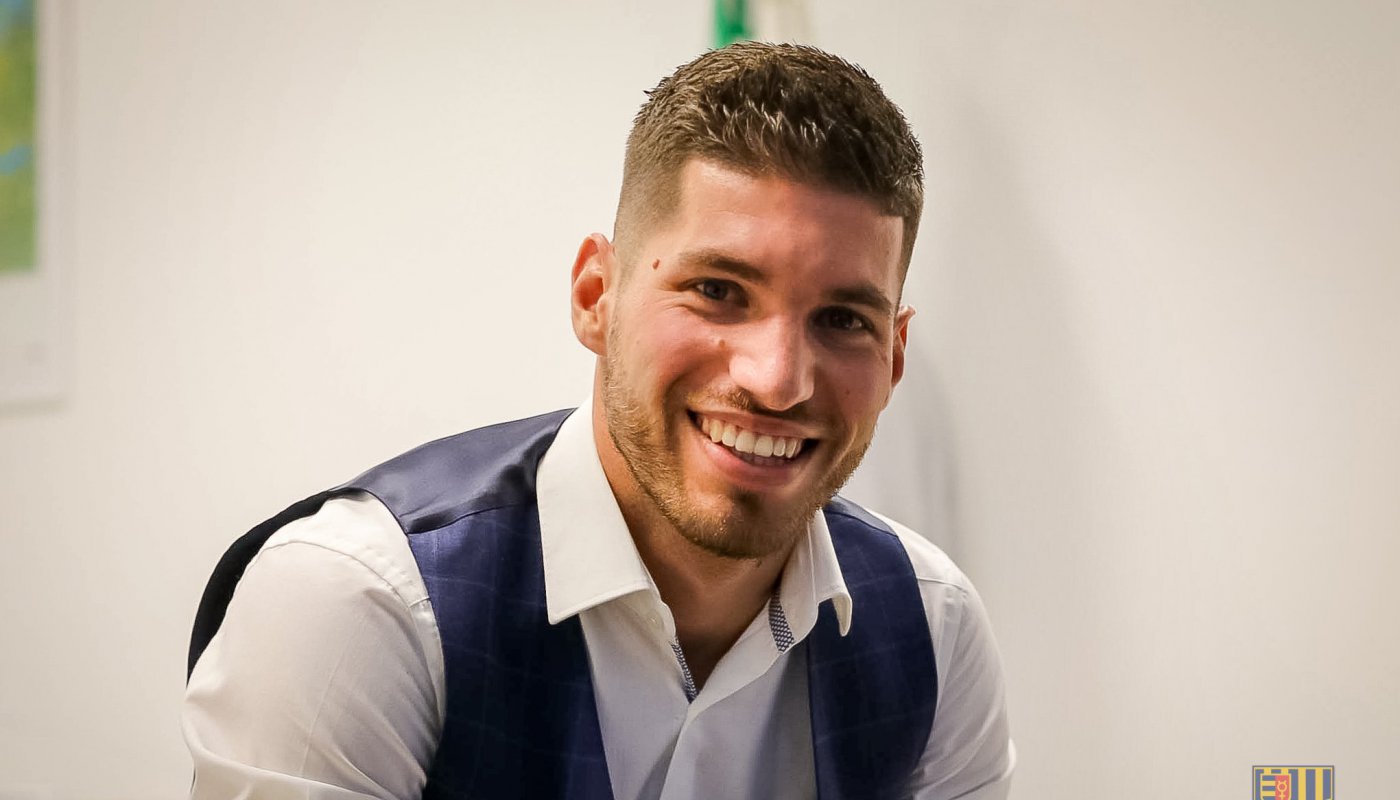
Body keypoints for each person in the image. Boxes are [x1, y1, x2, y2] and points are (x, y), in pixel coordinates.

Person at [183, 41, 1014, 800]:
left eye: (842, 319)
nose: (777, 381)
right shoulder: (358, 603)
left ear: (894, 356)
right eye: (718, 291)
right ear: (595, 297)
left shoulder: (933, 627)